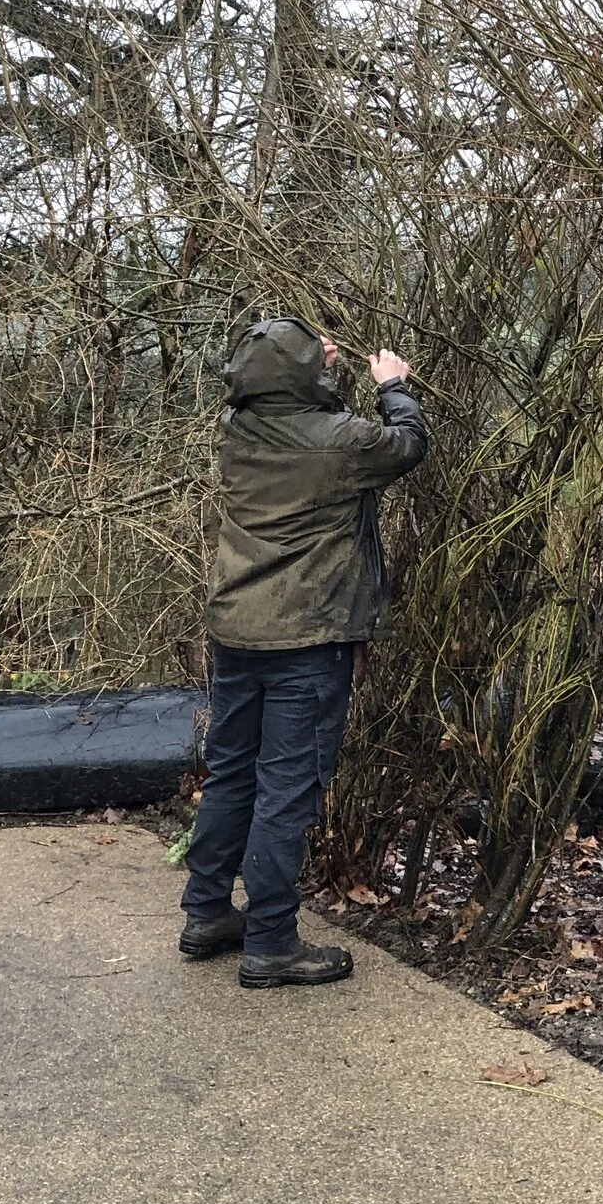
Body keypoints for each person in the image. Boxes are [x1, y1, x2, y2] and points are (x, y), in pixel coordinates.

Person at [179, 317, 427, 986]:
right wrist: (393, 385)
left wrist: (313, 371)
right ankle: (271, 942)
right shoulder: (338, 442)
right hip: (307, 638)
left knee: (232, 772)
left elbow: (293, 403)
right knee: (287, 788)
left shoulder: (236, 432)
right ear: (303, 377)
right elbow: (404, 444)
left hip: (237, 632)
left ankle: (206, 912)